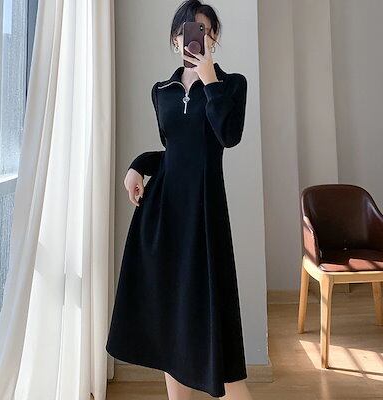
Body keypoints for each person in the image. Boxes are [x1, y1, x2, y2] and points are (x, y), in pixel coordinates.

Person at [106, 1, 251, 399]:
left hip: (204, 216)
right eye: (188, 30)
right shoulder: (162, 92)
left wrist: (209, 79)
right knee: (173, 320)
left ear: (213, 38)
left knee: (211, 319)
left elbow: (227, 137)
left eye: (205, 30)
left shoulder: (232, 85)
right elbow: (175, 153)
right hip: (164, 216)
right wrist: (138, 165)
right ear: (175, 39)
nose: (196, 38)